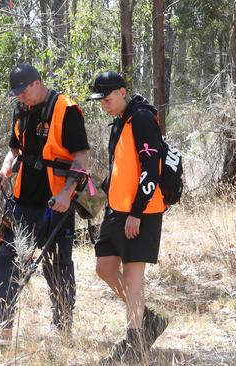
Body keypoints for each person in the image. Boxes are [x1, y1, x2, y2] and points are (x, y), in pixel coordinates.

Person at [0, 63, 90, 341]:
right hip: (21, 203)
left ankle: (62, 326)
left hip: (55, 205)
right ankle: (1, 324)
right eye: (17, 94)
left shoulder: (65, 110)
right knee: (6, 258)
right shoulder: (21, 110)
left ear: (37, 83)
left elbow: (81, 157)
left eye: (23, 91)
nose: (20, 97)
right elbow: (14, 151)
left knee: (57, 266)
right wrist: (3, 171)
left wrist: (66, 193)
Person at [86, 71, 169, 364]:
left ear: (122, 92)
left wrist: (137, 212)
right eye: (101, 101)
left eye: (107, 99)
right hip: (116, 210)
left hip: (141, 211)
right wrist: (92, 201)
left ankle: (135, 344)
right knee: (105, 267)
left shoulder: (143, 119)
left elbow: (152, 167)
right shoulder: (121, 121)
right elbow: (120, 168)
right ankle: (148, 320)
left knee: (134, 278)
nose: (104, 105)